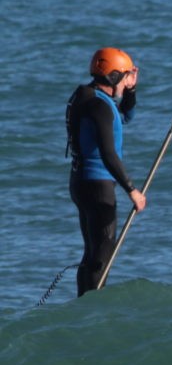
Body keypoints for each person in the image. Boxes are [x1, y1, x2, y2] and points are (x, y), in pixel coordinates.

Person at [65, 47, 145, 296]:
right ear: (113, 77)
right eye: (124, 76)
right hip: (98, 186)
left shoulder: (87, 97)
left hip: (81, 183)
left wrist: (131, 89)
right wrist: (132, 189)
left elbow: (124, 117)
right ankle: (91, 306)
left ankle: (83, 304)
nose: (126, 82)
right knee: (102, 254)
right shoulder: (100, 107)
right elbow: (109, 155)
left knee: (92, 252)